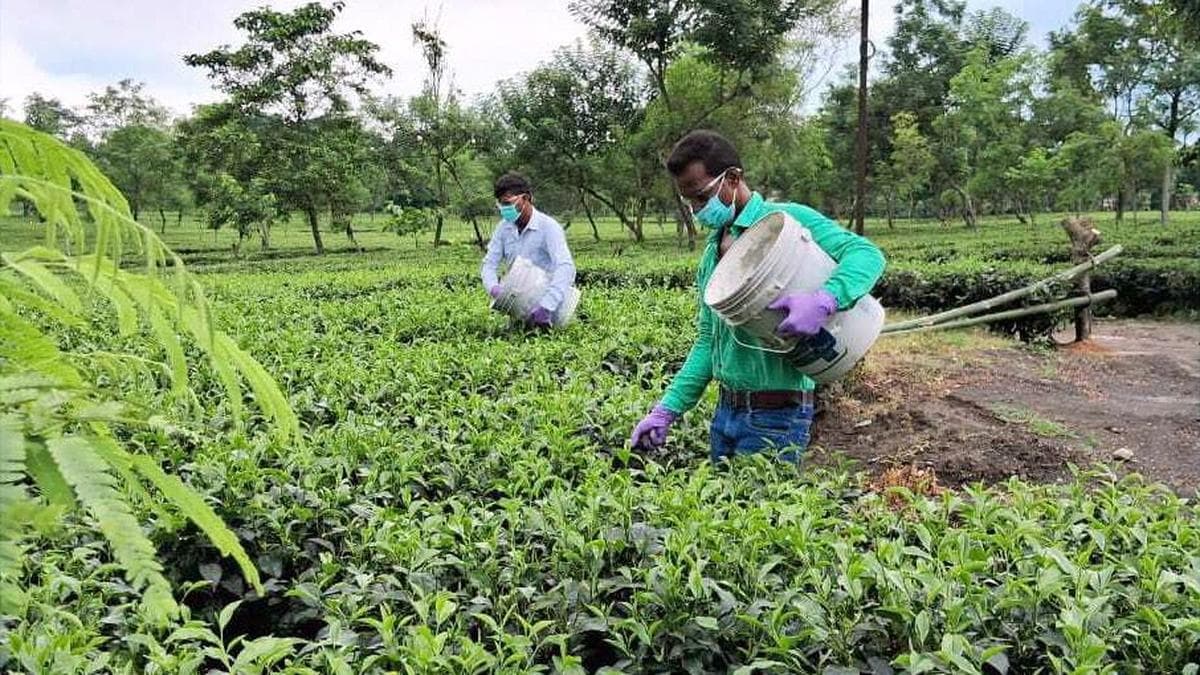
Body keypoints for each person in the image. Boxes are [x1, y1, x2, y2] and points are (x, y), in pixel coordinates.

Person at [629, 130, 885, 464]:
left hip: (777, 416)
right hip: (726, 414)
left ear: (733, 178)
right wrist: (666, 410)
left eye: (702, 197)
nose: (697, 209)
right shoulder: (712, 255)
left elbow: (867, 254)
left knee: (757, 513)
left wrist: (826, 300)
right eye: (690, 202)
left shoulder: (788, 222)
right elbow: (708, 341)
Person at [481, 172, 577, 328]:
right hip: (518, 310)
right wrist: (494, 288)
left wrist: (547, 306)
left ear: (525, 199)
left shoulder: (548, 227)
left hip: (553, 313)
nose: (504, 209)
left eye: (508, 203)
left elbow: (565, 267)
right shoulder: (503, 228)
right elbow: (488, 264)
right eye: (500, 204)